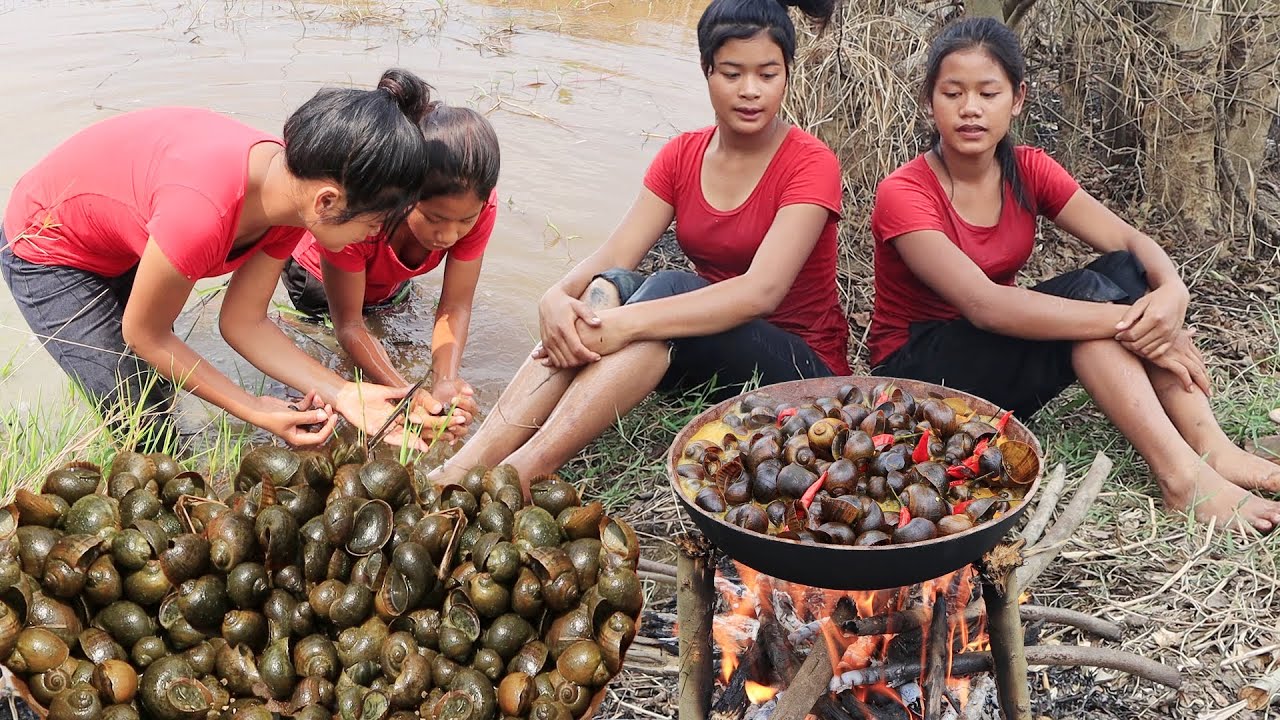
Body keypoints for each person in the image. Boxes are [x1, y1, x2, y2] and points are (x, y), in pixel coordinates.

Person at [867, 17, 1280, 532]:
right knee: (1092, 306)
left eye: (988, 92)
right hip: (918, 381)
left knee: (1128, 273)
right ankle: (1181, 478)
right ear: (931, 101)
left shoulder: (1029, 168)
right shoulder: (904, 193)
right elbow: (984, 305)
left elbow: (1130, 243)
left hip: (996, 363)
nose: (970, 108)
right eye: (953, 93)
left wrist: (1172, 293)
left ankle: (1212, 447)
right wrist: (1128, 322)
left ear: (1017, 99)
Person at [429, 0, 847, 495]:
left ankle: (524, 473)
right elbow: (616, 254)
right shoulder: (681, 155)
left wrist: (626, 325)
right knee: (609, 288)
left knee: (661, 293)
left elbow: (761, 292)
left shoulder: (810, 163)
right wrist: (556, 297)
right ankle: (464, 466)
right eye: (732, 73)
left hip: (798, 373)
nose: (750, 91)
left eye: (767, 74)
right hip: (707, 347)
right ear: (706, 70)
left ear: (786, 75)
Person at [1, 69, 460, 451]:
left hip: (126, 235)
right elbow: (144, 333)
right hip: (49, 248)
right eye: (374, 223)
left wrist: (345, 394)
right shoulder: (204, 211)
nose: (375, 236)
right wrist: (250, 407)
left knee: (153, 389)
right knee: (142, 420)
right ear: (327, 201)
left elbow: (244, 321)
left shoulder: (290, 194)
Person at [281, 105, 500, 442]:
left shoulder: (476, 207)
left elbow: (455, 305)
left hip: (388, 282)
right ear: (405, 194)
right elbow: (349, 324)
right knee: (332, 351)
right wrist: (405, 394)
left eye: (465, 221)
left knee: (387, 324)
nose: (448, 236)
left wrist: (444, 382)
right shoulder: (366, 215)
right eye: (434, 218)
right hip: (317, 278)